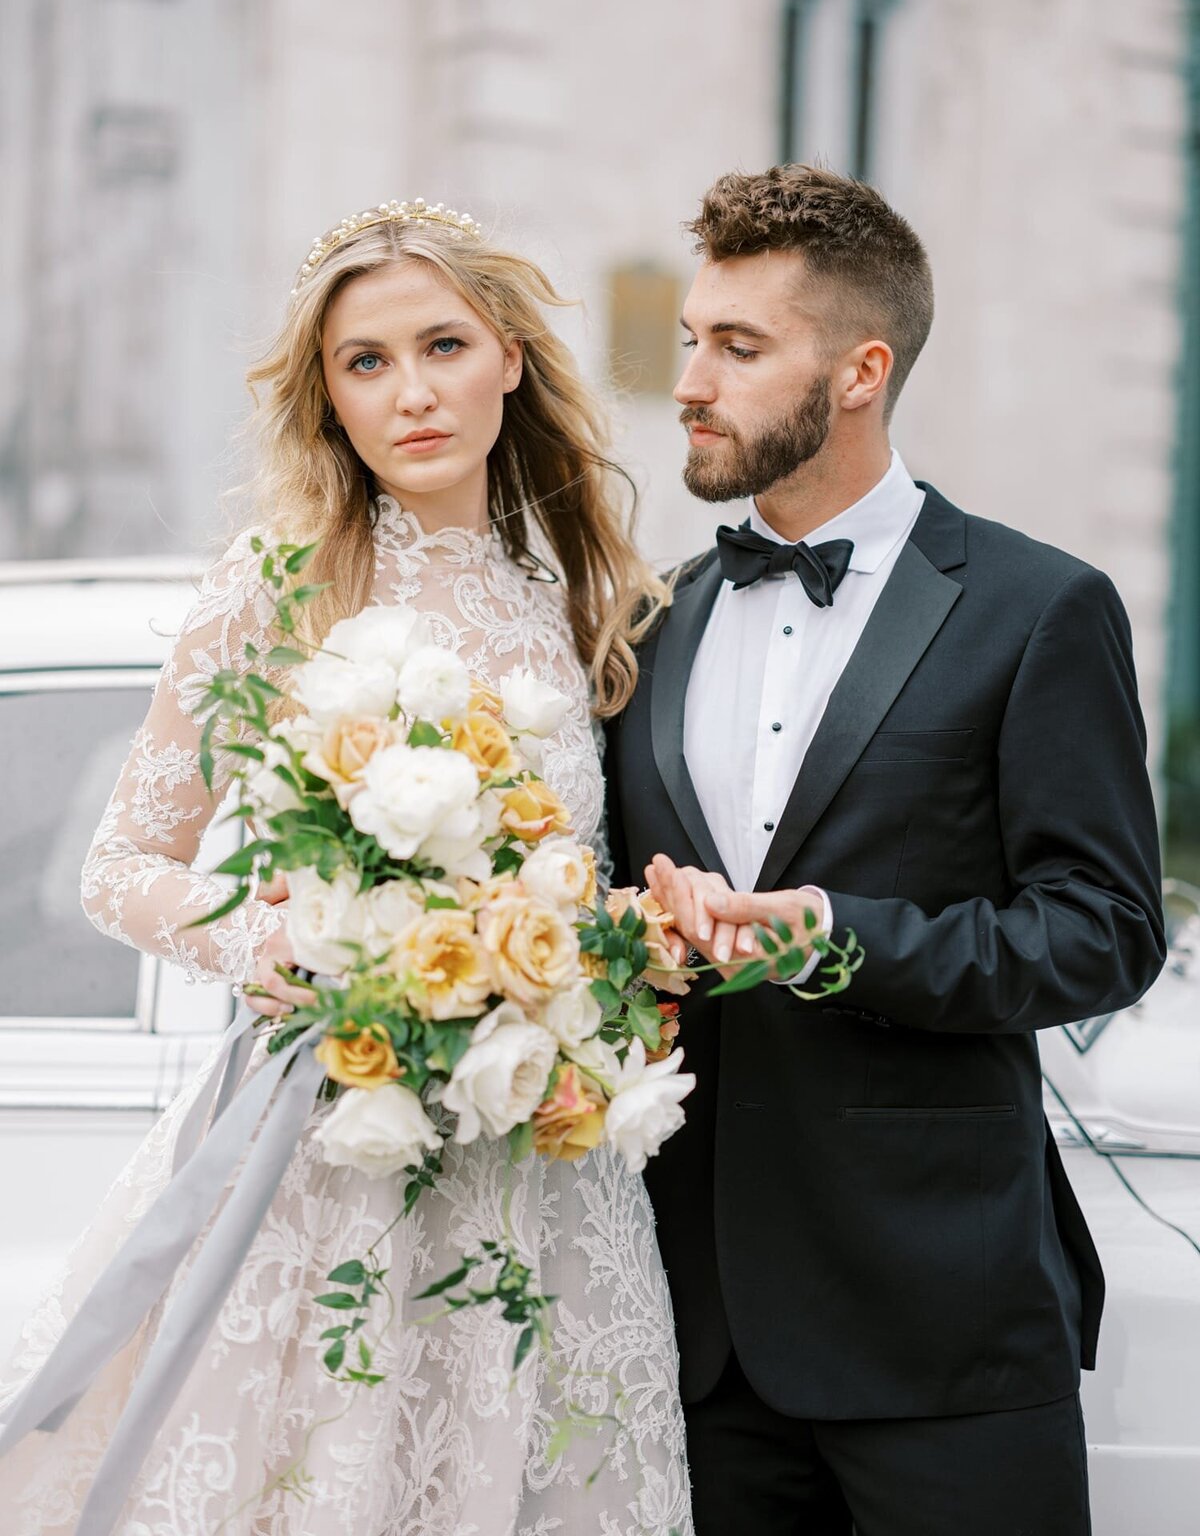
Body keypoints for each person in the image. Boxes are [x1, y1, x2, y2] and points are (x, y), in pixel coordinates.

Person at [0, 201, 692, 1535]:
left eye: (441, 345)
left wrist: (606, 951)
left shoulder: (573, 595)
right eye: (364, 362)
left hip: (537, 1159)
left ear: (508, 356)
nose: (411, 392)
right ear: (325, 395)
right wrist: (296, 945)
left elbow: (582, 871)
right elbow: (121, 865)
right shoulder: (274, 582)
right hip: (324, 1146)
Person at [604, 165, 1166, 1536]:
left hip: (943, 1328)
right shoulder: (648, 621)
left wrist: (840, 941)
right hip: (695, 1330)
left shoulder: (1039, 609)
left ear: (860, 371)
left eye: (739, 348)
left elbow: (1103, 929)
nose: (692, 380)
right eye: (691, 340)